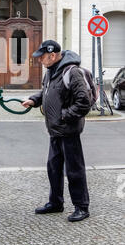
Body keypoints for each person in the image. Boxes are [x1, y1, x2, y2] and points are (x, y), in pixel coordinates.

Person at [22, 40, 91, 222]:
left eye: (42, 57)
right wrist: (34, 100)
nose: (40, 60)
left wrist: (64, 115)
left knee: (74, 170)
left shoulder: (72, 72)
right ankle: (56, 203)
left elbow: (83, 102)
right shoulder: (51, 72)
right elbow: (47, 92)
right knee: (53, 168)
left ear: (52, 55)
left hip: (68, 131)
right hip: (55, 131)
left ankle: (81, 207)